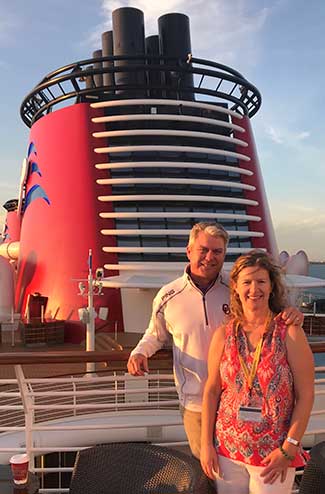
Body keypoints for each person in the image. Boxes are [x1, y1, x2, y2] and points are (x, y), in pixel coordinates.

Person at [127, 222, 304, 460]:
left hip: (241, 403)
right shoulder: (169, 296)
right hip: (198, 403)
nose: (210, 257)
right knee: (207, 471)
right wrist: (140, 352)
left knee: (237, 472)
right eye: (204, 250)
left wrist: (293, 312)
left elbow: (271, 312)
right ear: (189, 251)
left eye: (217, 252)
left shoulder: (236, 290)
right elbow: (155, 334)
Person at [200, 250, 314, 494]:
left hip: (273, 454)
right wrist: (206, 444)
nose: (254, 289)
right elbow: (211, 391)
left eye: (261, 281)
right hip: (227, 450)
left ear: (272, 286)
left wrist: (289, 448)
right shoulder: (224, 334)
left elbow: (306, 395)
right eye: (247, 282)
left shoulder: (289, 332)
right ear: (236, 288)